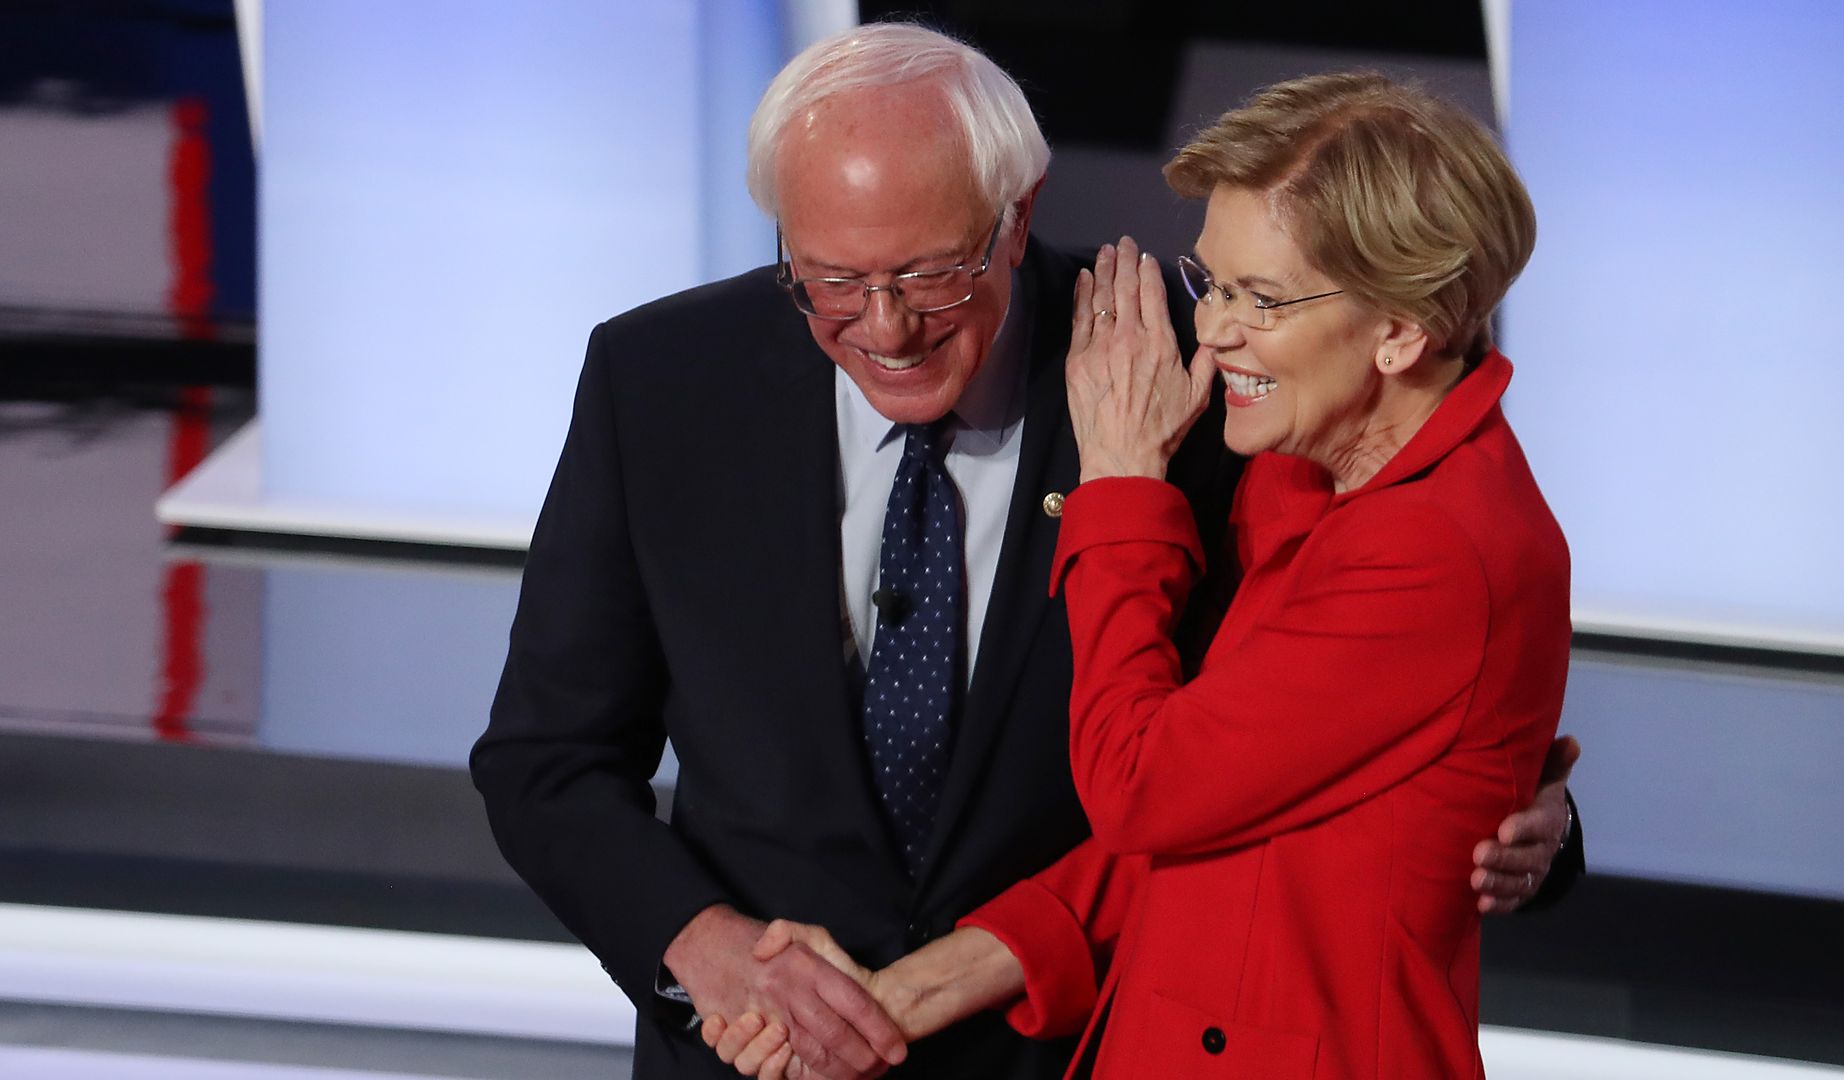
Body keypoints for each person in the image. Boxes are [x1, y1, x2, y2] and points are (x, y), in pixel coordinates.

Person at [471, 26, 1579, 1080]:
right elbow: (546, 761)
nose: (886, 325)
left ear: (1016, 214)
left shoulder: (1200, 390)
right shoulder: (662, 382)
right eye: (832, 281)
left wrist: (1517, 813)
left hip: (1054, 1050)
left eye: (931, 273)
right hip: (752, 1057)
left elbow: (1338, 702)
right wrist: (700, 954)